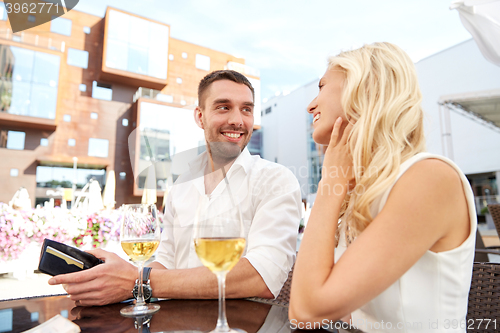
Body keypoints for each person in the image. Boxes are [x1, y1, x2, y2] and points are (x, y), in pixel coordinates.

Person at [49, 70, 302, 306]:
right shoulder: (182, 184)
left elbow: (261, 278)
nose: (237, 120)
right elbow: (167, 263)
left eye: (246, 109)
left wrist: (136, 282)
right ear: (200, 117)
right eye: (223, 107)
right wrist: (113, 279)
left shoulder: (275, 180)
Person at [289, 42, 476, 332]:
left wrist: (331, 182)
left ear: (363, 90)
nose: (310, 104)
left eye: (322, 86)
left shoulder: (430, 178)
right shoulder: (365, 192)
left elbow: (305, 311)